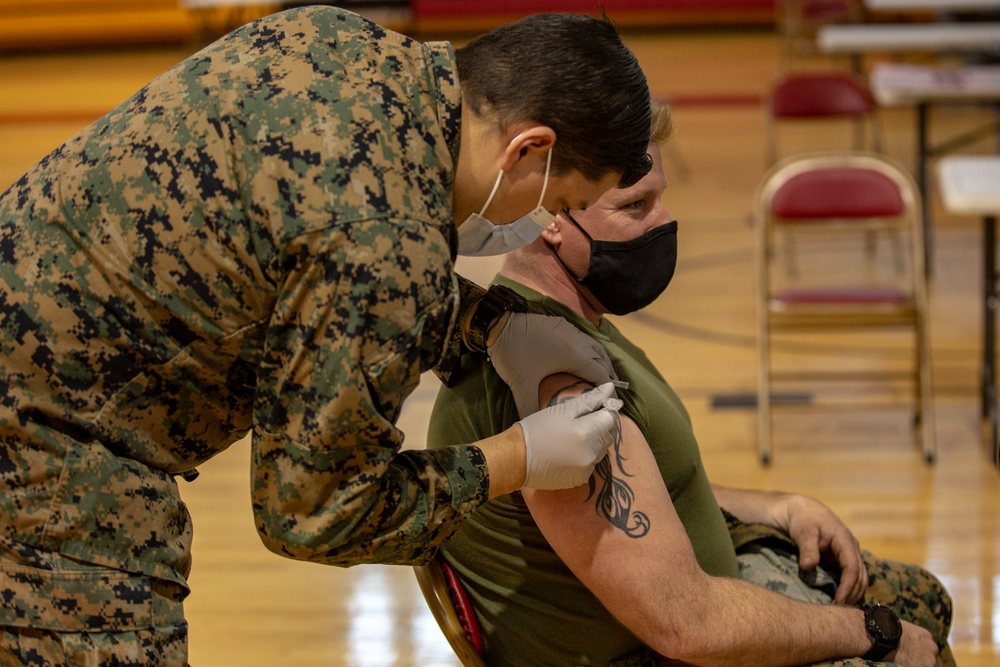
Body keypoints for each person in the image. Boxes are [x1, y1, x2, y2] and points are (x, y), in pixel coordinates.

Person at [0, 6, 651, 663]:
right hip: (51, 447)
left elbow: (302, 253)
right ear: (528, 149)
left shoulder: (336, 37)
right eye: (559, 202)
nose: (544, 222)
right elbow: (313, 511)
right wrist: (516, 457)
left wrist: (489, 322)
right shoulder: (387, 243)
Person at [426, 104, 953, 667]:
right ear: (551, 218)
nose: (662, 221)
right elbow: (689, 627)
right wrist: (872, 633)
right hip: (668, 645)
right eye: (636, 205)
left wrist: (774, 506)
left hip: (694, 605)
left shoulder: (554, 329)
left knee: (928, 601)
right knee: (910, 641)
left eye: (660, 197)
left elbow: (643, 491)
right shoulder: (560, 385)